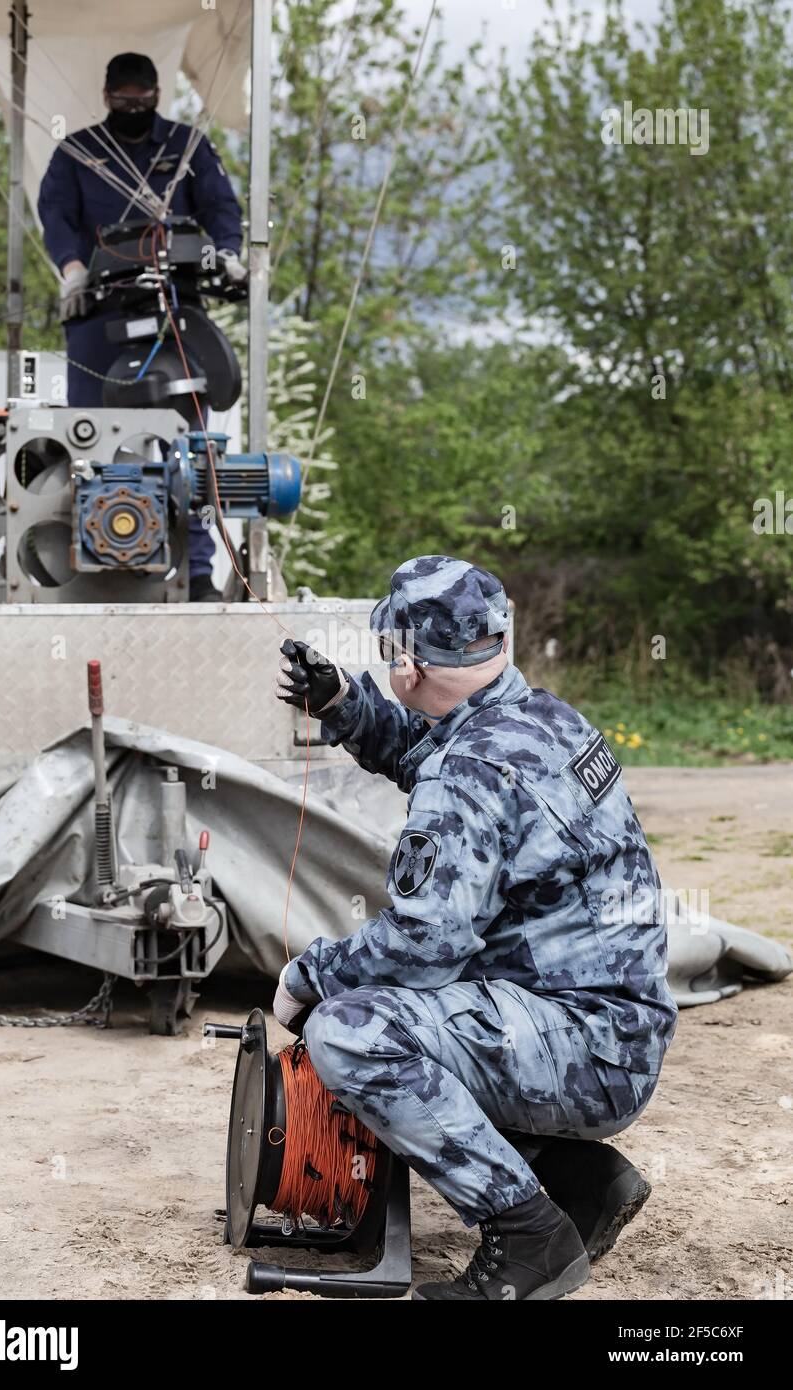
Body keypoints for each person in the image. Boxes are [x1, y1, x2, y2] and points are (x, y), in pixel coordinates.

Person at [273, 554, 678, 1301]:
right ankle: (581, 1181)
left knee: (353, 1031)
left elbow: (423, 946)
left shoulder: (471, 773)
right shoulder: (536, 717)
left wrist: (309, 978)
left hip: (586, 1047)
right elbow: (435, 751)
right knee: (426, 1009)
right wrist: (342, 705)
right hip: (614, 1029)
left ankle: (529, 1236)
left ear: (405, 661)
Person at [38, 52, 245, 600]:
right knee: (92, 437)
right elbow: (54, 214)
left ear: (158, 93)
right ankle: (99, 564)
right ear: (107, 96)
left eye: (143, 97)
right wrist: (73, 268)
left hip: (175, 310)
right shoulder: (78, 150)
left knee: (193, 445)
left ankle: (198, 572)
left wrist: (226, 254)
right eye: (123, 97)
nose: (134, 106)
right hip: (100, 316)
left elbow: (224, 209)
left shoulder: (188, 147)